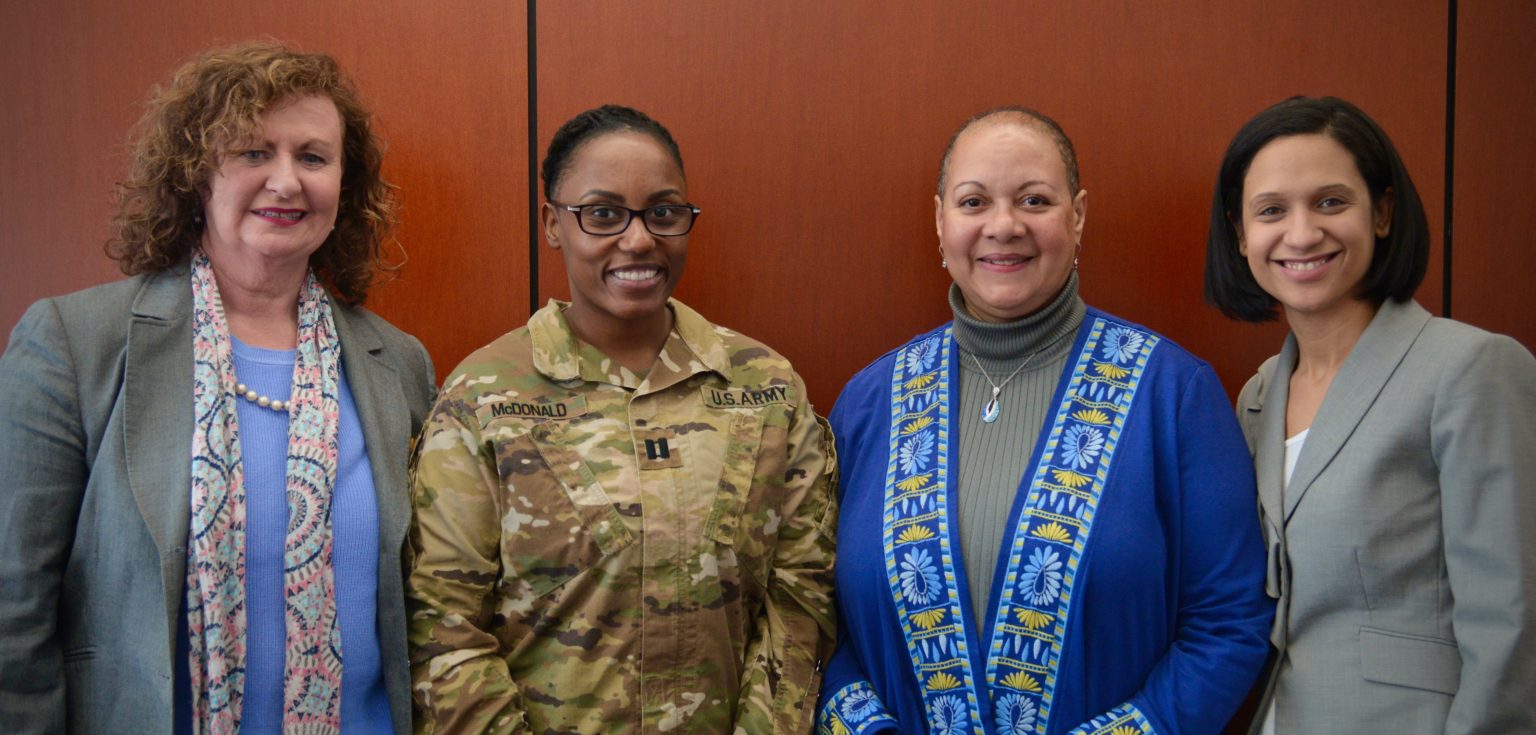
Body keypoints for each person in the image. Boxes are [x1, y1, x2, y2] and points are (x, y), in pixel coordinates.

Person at [0, 43, 435, 734]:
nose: (286, 181)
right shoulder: (73, 344)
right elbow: (13, 609)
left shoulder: (398, 363)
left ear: (344, 186)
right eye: (254, 152)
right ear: (195, 175)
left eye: (313, 157)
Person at [817, 107, 1272, 735]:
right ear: (940, 219)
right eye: (974, 202)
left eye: (1034, 200)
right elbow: (814, 617)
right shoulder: (870, 402)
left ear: (1078, 215)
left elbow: (1230, 618)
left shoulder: (1173, 392)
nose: (1003, 226)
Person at [405, 104, 837, 734]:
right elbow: (441, 625)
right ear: (554, 223)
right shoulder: (484, 398)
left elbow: (801, 598)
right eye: (602, 214)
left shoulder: (764, 387)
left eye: (663, 212)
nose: (639, 239)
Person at [1205, 96, 1536, 734]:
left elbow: (1513, 626)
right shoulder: (1259, 393)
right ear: (1241, 233)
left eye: (1331, 202)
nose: (1301, 233)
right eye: (1272, 210)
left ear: (1382, 212)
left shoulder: (1472, 369)